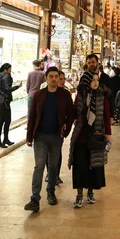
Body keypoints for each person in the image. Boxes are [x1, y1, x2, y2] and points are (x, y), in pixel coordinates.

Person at [24, 66, 74, 212]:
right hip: (40, 136)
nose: (53, 79)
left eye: (56, 76)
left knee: (53, 166)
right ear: (46, 78)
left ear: (59, 78)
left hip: (56, 137)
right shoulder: (39, 95)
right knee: (39, 166)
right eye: (51, 76)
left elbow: (71, 115)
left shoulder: (64, 95)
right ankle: (35, 198)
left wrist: (66, 130)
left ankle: (50, 191)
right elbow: (32, 116)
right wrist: (29, 137)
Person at [69, 70, 111, 209]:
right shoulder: (80, 96)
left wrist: (108, 134)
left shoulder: (101, 96)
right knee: (80, 165)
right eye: (93, 80)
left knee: (94, 165)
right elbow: (74, 111)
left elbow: (106, 115)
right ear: (86, 81)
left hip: (96, 135)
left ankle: (91, 192)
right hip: (81, 136)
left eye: (97, 80)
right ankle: (79, 194)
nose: (95, 83)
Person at [0, 63, 22, 148]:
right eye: (10, 68)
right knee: (7, 121)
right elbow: (7, 89)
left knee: (1, 122)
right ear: (6, 69)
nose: (11, 70)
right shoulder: (6, 76)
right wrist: (17, 86)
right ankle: (4, 139)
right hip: (5, 101)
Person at [87, 53, 114, 118]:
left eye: (93, 62)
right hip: (88, 113)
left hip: (102, 113)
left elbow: (110, 96)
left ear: (97, 63)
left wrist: (111, 115)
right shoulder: (85, 78)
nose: (91, 64)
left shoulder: (105, 78)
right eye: (89, 63)